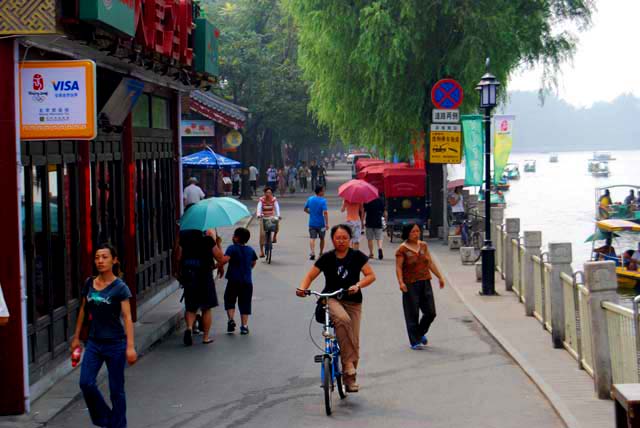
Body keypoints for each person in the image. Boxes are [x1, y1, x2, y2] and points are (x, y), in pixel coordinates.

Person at [296, 225, 376, 392]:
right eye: (338, 238)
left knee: (354, 340)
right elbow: (310, 276)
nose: (341, 241)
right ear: (333, 239)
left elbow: (371, 276)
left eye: (344, 238)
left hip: (353, 302)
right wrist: (302, 288)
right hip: (331, 298)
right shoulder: (327, 258)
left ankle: (350, 380)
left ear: (350, 239)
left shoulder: (357, 256)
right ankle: (347, 364)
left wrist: (358, 285)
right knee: (342, 319)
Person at [71, 243, 137, 428]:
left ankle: (119, 425)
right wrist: (76, 337)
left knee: (116, 391)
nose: (100, 261)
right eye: (97, 257)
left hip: (115, 344)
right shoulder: (89, 283)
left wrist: (130, 347)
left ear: (114, 260)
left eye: (104, 257)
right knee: (86, 383)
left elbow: (127, 316)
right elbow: (83, 311)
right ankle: (107, 420)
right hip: (93, 343)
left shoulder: (120, 287)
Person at [395, 224, 445, 349]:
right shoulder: (402, 249)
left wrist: (439, 277)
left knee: (430, 312)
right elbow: (398, 267)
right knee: (412, 313)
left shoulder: (423, 245)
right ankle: (415, 341)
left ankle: (419, 332)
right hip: (410, 284)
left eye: (417, 231)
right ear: (407, 233)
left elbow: (430, 262)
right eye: (413, 232)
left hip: (425, 281)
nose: (416, 234)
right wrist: (401, 282)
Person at [176, 228, 226, 346]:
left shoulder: (184, 238)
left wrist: (177, 271)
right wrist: (216, 265)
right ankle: (206, 337)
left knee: (191, 306)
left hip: (189, 274)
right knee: (206, 307)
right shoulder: (208, 240)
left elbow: (178, 257)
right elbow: (220, 258)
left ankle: (189, 328)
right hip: (204, 275)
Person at [222, 227, 258, 335]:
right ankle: (244, 326)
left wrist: (215, 266)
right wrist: (248, 269)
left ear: (237, 238)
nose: (232, 237)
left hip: (233, 280)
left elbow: (225, 260)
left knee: (229, 300)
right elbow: (253, 262)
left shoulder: (231, 248)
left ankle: (231, 319)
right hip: (247, 282)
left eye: (234, 235)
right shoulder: (250, 250)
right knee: (245, 303)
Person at [304, 185, 329, 260]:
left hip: (312, 223)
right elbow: (325, 213)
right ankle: (321, 253)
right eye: (323, 191)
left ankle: (312, 252)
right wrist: (327, 224)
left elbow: (305, 209)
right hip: (321, 224)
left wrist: (311, 213)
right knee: (322, 238)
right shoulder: (323, 201)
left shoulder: (310, 199)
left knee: (312, 238)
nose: (324, 192)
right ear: (320, 192)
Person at [257, 186, 281, 257]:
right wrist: (259, 214)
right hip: (263, 217)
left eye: (270, 192)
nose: (269, 194)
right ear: (264, 193)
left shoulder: (274, 199)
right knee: (262, 235)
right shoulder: (261, 200)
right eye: (267, 192)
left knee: (277, 224)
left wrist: (278, 215)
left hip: (271, 216)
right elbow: (259, 207)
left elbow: (277, 207)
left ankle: (274, 236)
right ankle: (261, 251)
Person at [363, 195, 386, 260]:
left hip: (369, 221)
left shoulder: (367, 200)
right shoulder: (380, 200)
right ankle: (380, 248)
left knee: (370, 239)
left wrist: (363, 221)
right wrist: (385, 220)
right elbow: (384, 211)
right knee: (379, 238)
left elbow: (364, 212)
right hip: (378, 220)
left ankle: (371, 253)